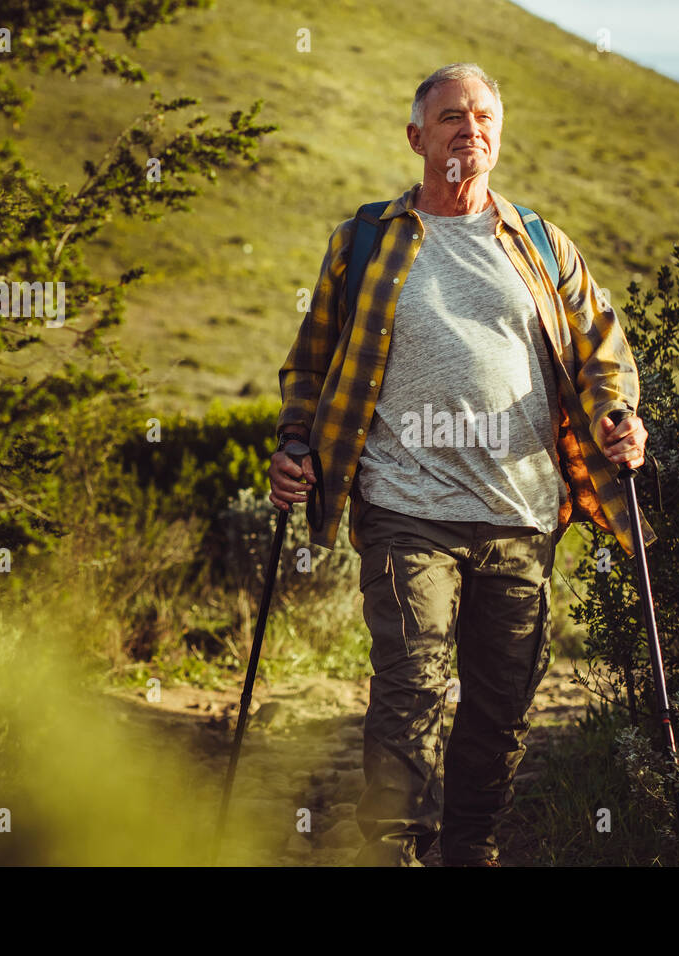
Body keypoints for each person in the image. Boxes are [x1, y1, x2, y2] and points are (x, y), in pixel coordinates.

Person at [268, 62, 657, 866]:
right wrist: (294, 446)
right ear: (417, 137)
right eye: (450, 117)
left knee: (501, 704)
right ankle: (392, 851)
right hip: (405, 505)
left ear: (499, 136)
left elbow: (601, 351)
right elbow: (309, 365)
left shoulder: (543, 246)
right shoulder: (366, 241)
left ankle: (471, 848)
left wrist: (619, 416)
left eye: (482, 116)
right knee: (411, 685)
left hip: (520, 512)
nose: (468, 129)